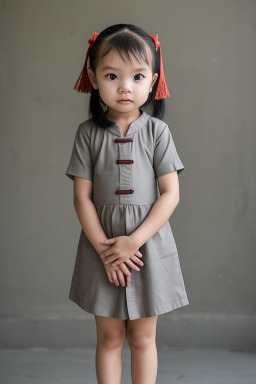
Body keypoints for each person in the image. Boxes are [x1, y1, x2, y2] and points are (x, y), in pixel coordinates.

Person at [65, 23, 189, 384]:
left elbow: (171, 193)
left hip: (147, 247)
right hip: (99, 246)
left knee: (142, 338)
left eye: (137, 76)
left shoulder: (157, 133)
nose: (124, 87)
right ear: (92, 77)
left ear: (153, 80)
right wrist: (106, 250)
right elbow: (82, 197)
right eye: (111, 75)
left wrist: (134, 242)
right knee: (109, 337)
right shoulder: (87, 134)